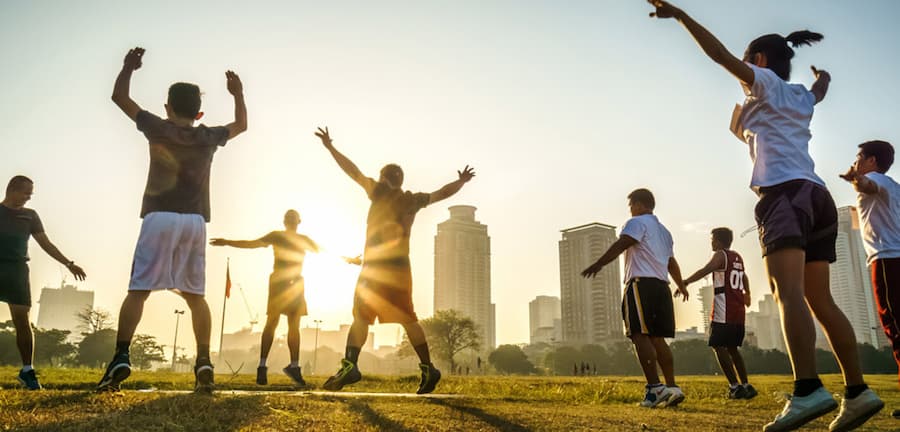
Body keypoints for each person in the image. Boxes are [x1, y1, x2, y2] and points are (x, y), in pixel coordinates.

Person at [646, 2, 883, 430]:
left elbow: (718, 56)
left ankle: (808, 390)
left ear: (757, 60)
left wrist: (680, 16)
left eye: (747, 63)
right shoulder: (799, 97)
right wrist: (823, 80)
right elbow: (818, 94)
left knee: (787, 294)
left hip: (784, 197)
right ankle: (858, 391)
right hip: (817, 197)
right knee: (820, 300)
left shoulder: (766, 81)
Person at [97, 47, 247, 394]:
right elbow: (241, 125)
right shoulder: (208, 136)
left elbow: (119, 96)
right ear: (200, 111)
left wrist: (128, 67)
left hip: (159, 217)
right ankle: (204, 361)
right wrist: (238, 94)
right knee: (195, 295)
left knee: (138, 291)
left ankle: (121, 356)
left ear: (168, 108)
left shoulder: (157, 127)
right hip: (194, 221)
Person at [314, 127, 474, 394]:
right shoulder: (413, 200)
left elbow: (352, 172)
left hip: (375, 270)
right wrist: (462, 182)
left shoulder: (379, 192)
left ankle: (350, 365)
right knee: (409, 319)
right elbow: (442, 192)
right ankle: (428, 368)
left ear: (385, 179)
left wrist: (330, 148)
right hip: (400, 268)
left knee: (360, 318)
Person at [582, 188, 689, 408]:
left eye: (631, 205)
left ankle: (655, 389)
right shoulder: (664, 231)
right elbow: (671, 262)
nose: (630, 210)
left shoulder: (637, 222)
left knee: (639, 335)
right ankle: (671, 387)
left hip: (641, 284)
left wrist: (598, 263)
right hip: (662, 286)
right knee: (658, 338)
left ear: (639, 205)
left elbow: (622, 243)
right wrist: (681, 285)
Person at [210, 209, 319, 387]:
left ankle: (293, 366)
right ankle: (263, 366)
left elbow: (325, 250)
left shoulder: (301, 239)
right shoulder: (278, 236)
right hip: (280, 282)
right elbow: (252, 244)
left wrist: (348, 258)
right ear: (287, 222)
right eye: (289, 218)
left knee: (293, 325)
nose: (291, 220)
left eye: (293, 218)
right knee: (273, 322)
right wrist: (228, 242)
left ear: (298, 221)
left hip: (294, 282)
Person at [0, 176, 86, 390]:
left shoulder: (30, 216)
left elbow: (46, 244)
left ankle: (27, 371)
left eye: (31, 193)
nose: (29, 197)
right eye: (26, 193)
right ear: (12, 190)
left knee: (22, 319)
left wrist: (69, 263)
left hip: (17, 270)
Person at [840, 140, 900, 420]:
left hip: (887, 260)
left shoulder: (876, 180)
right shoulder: (893, 186)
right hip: (892, 257)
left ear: (872, 161)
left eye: (858, 158)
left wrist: (855, 178)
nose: (856, 162)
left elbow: (867, 186)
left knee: (895, 327)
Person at [682, 227, 757, 399]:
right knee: (732, 348)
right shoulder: (737, 256)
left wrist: (685, 281)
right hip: (738, 311)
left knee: (717, 345)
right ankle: (746, 385)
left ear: (719, 241)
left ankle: (734, 386)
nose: (711, 242)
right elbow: (744, 277)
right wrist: (748, 293)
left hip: (724, 310)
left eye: (712, 239)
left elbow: (706, 270)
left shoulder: (720, 255)